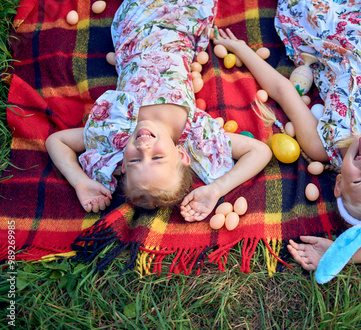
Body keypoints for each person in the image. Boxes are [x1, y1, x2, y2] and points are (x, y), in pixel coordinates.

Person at [213, 0, 361, 281]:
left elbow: (284, 91)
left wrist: (244, 51)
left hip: (337, 44)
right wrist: (344, 254)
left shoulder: (322, 146)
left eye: (359, 180)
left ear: (339, 185)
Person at [45, 0, 272, 221]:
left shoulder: (115, 132)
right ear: (182, 155)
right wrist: (216, 189)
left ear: (122, 164)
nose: (144, 148)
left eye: (135, 162)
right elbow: (260, 152)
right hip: (181, 20)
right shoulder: (196, 136)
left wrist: (79, 182)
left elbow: (57, 141)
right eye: (157, 157)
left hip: (136, 22)